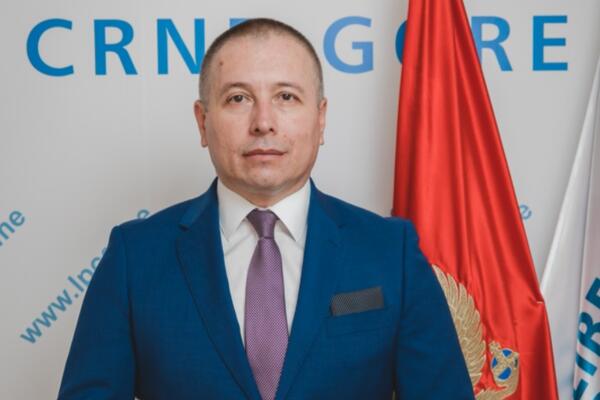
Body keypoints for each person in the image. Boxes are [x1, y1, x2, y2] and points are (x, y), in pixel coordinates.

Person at [58, 18, 474, 400]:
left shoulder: (390, 252)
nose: (263, 122)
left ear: (321, 119)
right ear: (203, 122)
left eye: (286, 97)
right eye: (238, 98)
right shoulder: (134, 257)